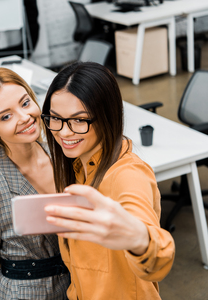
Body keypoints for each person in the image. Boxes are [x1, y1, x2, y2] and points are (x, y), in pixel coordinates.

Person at [40, 61, 175, 299]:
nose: (64, 132)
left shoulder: (127, 174)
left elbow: (158, 256)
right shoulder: (77, 167)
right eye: (54, 118)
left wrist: (139, 239)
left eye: (79, 120)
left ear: (106, 116)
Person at [0, 68, 70, 299]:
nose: (24, 117)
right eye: (6, 116)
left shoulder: (64, 154)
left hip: (76, 285)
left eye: (25, 103)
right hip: (25, 293)